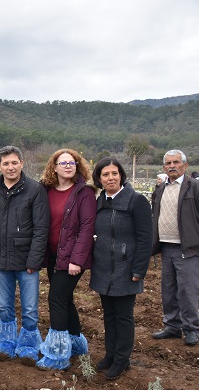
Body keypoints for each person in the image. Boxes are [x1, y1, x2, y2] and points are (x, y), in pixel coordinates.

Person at [0, 146, 50, 365]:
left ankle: (29, 345)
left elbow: (41, 229)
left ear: (22, 163)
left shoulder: (34, 190)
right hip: (1, 259)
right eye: (6, 163)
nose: (10, 167)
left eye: (14, 162)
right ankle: (6, 343)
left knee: (30, 308)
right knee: (4, 306)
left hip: (26, 261)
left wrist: (34, 260)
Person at [91, 157, 152, 380]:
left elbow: (146, 238)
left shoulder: (136, 201)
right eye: (105, 174)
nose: (110, 178)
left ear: (121, 176)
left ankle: (122, 360)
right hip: (103, 268)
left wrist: (139, 270)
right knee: (109, 315)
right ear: (99, 178)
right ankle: (110, 354)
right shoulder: (100, 202)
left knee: (124, 316)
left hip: (126, 269)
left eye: (114, 173)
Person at [36, 149, 96, 370]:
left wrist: (77, 260)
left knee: (56, 299)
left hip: (72, 258)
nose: (68, 166)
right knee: (65, 299)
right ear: (54, 167)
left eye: (72, 162)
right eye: (63, 163)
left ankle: (58, 354)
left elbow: (86, 228)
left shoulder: (84, 193)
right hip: (53, 255)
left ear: (78, 166)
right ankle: (76, 344)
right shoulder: (46, 190)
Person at [151, 150, 199, 346]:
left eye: (176, 162)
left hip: (187, 247)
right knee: (168, 289)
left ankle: (191, 328)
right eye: (168, 163)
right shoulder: (160, 190)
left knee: (187, 290)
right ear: (164, 167)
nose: (172, 165)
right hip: (166, 246)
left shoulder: (194, 187)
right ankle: (172, 326)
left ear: (185, 166)